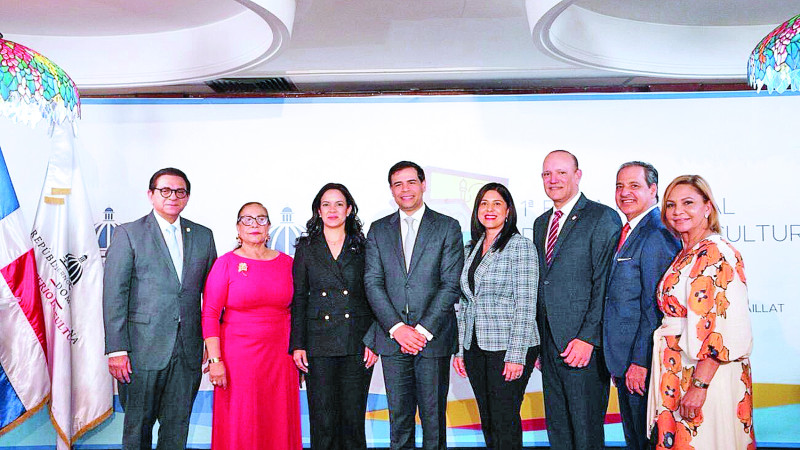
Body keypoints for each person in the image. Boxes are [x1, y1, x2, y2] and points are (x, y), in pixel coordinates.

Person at [103, 167, 217, 450]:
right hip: (141, 351)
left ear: (187, 197)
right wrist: (117, 349)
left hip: (188, 350)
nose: (172, 196)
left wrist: (209, 343)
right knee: (137, 429)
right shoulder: (128, 233)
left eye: (179, 191)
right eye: (165, 190)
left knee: (177, 428)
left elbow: (213, 296)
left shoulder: (203, 236)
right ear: (151, 194)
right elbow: (114, 294)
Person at [646, 175, 755, 449]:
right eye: (671, 205)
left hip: (705, 375)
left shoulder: (717, 253)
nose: (678, 211)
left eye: (688, 203)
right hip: (679, 368)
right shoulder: (688, 252)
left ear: (707, 207)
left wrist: (700, 385)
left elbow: (723, 327)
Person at [364, 161, 464, 450]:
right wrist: (398, 329)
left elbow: (450, 284)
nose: (405, 190)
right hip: (392, 340)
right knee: (399, 420)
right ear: (391, 190)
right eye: (398, 184)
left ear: (423, 184)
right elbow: (372, 283)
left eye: (410, 182)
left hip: (432, 339)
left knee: (433, 421)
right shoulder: (379, 229)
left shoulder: (447, 227)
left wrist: (420, 331)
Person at [532, 150, 621, 450]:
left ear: (578, 175)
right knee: (558, 431)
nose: (553, 179)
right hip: (550, 347)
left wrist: (588, 338)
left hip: (583, 348)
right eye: (547, 174)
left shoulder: (601, 217)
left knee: (585, 433)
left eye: (560, 173)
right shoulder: (542, 223)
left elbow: (604, 285)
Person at [201, 202, 301, 450]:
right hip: (237, 360)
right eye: (247, 220)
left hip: (281, 358)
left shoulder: (289, 264)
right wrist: (215, 361)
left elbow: (299, 310)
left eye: (261, 219)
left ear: (269, 227)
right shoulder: (225, 264)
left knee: (278, 419)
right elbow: (210, 314)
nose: (254, 225)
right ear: (238, 227)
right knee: (241, 421)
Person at [289, 183, 378, 450]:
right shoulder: (306, 247)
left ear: (349, 210)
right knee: (322, 420)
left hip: (357, 342)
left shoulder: (364, 247)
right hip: (318, 344)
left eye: (339, 204)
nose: (332, 210)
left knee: (352, 421)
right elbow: (300, 298)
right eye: (326, 204)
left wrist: (374, 339)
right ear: (318, 209)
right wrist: (298, 344)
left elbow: (375, 294)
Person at [452, 183, 540, 450]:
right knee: (488, 420)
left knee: (504, 420)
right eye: (484, 204)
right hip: (476, 347)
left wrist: (516, 355)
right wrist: (460, 351)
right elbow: (467, 303)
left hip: (509, 347)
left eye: (497, 203)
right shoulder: (472, 249)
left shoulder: (520, 246)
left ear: (508, 210)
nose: (489, 209)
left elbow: (526, 304)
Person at [603, 162, 680, 450]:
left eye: (634, 186)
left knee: (645, 441)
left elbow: (655, 306)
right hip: (623, 361)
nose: (625, 193)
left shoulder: (656, 234)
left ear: (653, 189)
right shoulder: (627, 231)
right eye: (620, 186)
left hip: (642, 364)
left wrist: (640, 361)